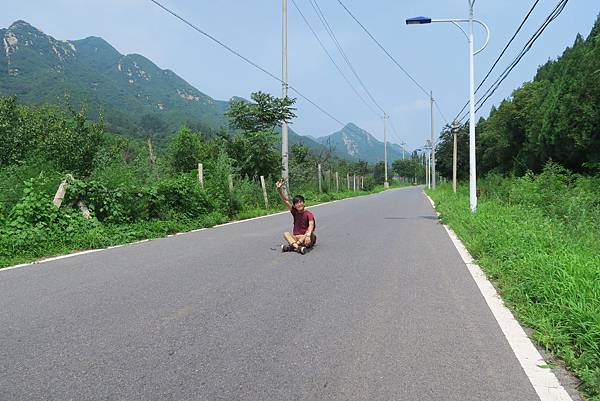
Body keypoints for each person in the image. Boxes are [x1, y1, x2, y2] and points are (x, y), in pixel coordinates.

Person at [276, 180, 316, 255]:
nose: (299, 204)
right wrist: (279, 190)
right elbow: (285, 200)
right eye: (297, 203)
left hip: (306, 238)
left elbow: (311, 225)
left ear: (304, 203)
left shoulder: (308, 214)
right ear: (294, 206)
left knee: (307, 234)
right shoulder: (295, 212)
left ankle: (291, 247)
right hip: (297, 237)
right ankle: (298, 248)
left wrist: (308, 235)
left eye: (301, 202)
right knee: (286, 234)